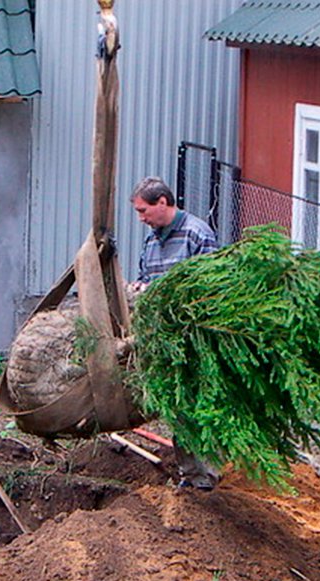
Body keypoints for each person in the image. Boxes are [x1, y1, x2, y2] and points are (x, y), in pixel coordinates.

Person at [128, 176, 221, 490]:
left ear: (163, 203)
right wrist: (140, 289)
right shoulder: (151, 242)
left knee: (199, 405)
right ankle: (189, 474)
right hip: (165, 341)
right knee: (179, 407)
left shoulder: (198, 234)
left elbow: (210, 291)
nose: (141, 218)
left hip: (194, 340)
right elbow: (146, 279)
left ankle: (207, 476)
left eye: (144, 210)